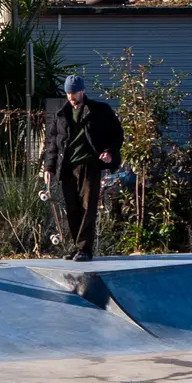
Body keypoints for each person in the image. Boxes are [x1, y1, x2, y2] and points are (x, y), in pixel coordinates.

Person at [41, 75, 124, 262]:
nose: (71, 96)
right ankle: (77, 247)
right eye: (68, 93)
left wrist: (110, 152)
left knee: (88, 207)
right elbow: (53, 142)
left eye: (74, 92)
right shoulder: (61, 114)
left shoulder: (100, 111)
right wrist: (49, 167)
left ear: (83, 91)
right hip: (68, 167)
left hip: (89, 166)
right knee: (72, 208)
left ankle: (85, 249)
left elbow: (117, 134)